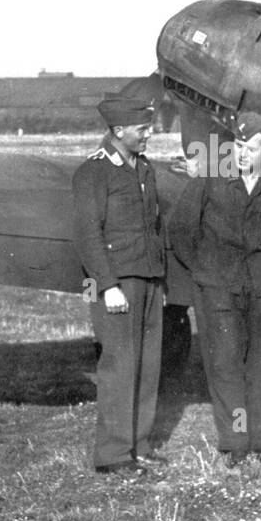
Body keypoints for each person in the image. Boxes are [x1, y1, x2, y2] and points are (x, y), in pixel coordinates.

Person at [169, 113, 261, 467]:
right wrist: (205, 269)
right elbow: (181, 228)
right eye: (238, 145)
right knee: (226, 365)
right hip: (217, 287)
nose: (241, 154)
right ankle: (236, 442)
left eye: (251, 148)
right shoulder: (211, 177)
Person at [71, 95, 166, 477]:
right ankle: (113, 454)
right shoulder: (93, 172)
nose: (149, 134)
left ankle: (139, 445)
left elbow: (154, 228)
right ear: (119, 130)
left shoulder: (144, 168)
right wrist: (107, 285)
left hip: (148, 279)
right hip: (117, 282)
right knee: (119, 366)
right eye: (143, 129)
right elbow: (87, 234)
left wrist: (160, 279)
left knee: (148, 365)